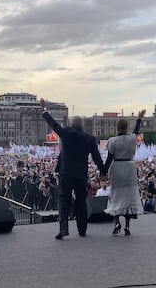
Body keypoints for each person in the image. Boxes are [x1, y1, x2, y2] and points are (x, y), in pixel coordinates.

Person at [40, 98, 105, 239]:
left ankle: (64, 229)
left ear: (73, 124)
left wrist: (44, 111)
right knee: (81, 202)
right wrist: (103, 171)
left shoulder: (67, 133)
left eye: (69, 123)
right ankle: (82, 229)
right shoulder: (89, 139)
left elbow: (54, 125)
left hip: (66, 173)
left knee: (64, 200)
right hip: (81, 174)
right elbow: (96, 157)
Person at [102, 109, 146, 236]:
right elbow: (136, 131)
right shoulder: (132, 139)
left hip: (117, 167)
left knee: (116, 195)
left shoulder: (112, 141)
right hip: (129, 167)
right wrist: (139, 119)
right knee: (128, 197)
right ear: (126, 128)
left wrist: (104, 172)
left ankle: (116, 222)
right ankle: (127, 226)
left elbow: (109, 159)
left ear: (117, 128)